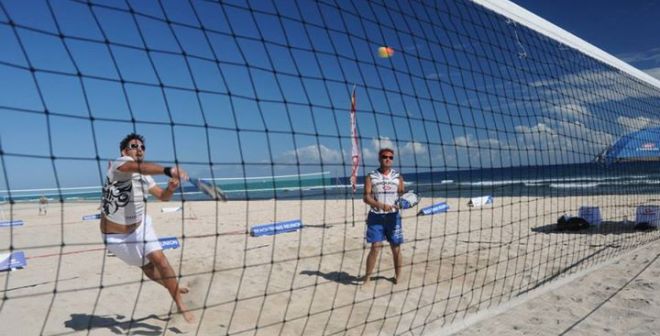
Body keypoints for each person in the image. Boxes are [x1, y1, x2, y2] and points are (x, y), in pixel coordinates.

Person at [100, 133, 194, 323]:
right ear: (124, 151)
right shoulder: (120, 164)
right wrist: (169, 170)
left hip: (141, 226)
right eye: (134, 146)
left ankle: (179, 302)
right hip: (116, 238)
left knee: (161, 261)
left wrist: (170, 188)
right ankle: (172, 285)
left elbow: (162, 197)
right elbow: (137, 167)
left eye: (142, 147)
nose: (139, 149)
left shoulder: (146, 177)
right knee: (148, 269)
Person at [361, 148, 405, 285]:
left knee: (396, 247)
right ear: (379, 158)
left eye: (391, 157)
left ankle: (398, 277)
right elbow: (366, 198)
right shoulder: (371, 176)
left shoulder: (398, 177)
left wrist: (403, 202)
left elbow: (402, 194)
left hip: (393, 217)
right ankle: (367, 278)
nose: (388, 159)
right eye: (385, 156)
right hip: (376, 216)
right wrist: (380, 205)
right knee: (375, 247)